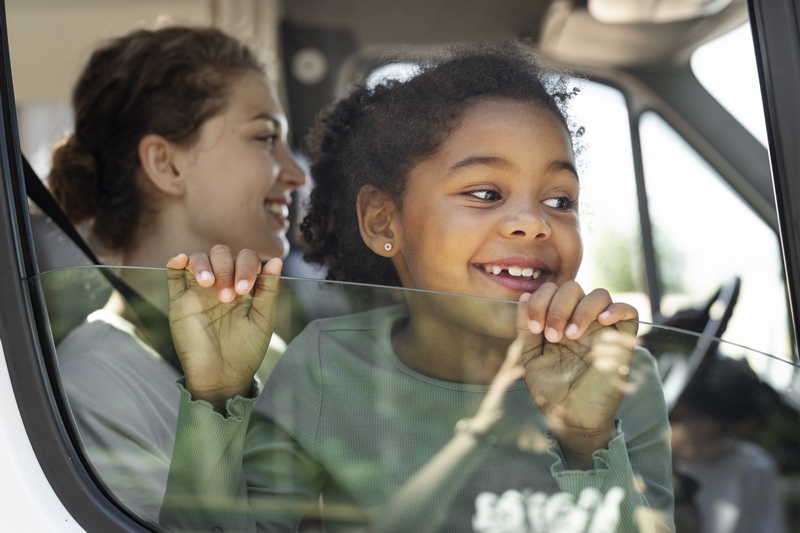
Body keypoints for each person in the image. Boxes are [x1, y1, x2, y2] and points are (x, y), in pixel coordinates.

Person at [160, 43, 674, 532]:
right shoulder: (325, 367)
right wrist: (216, 394)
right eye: (484, 192)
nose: (533, 223)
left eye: (560, 201)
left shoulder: (619, 374)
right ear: (384, 223)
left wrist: (588, 440)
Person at [47, 25, 305, 525]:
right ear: (167, 164)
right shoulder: (90, 388)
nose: (295, 172)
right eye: (267, 137)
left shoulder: (268, 353)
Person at [671, 354, 788, 533]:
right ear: (682, 416)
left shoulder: (752, 468)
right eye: (723, 433)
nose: (732, 444)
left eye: (739, 436)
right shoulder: (633, 457)